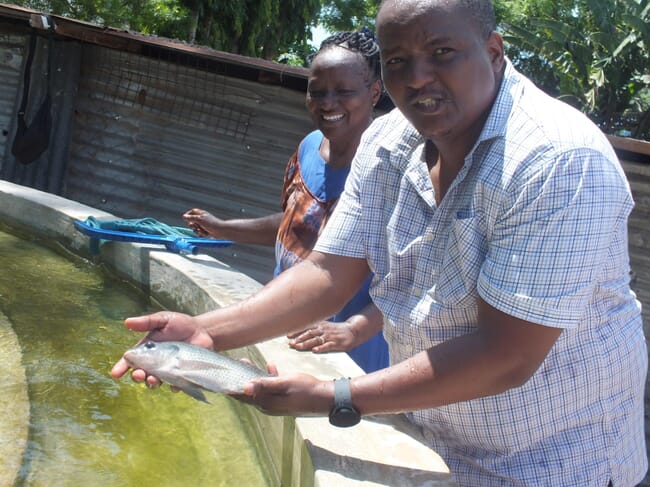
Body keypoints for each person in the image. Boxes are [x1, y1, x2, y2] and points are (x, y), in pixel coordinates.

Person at [112, 0, 648, 485]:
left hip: (554, 463)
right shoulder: (389, 140)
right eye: (397, 61)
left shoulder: (558, 161)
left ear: (492, 51)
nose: (418, 79)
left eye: (442, 52)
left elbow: (507, 354)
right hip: (426, 437)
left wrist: (334, 397)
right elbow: (327, 273)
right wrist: (204, 333)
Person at [182, 29, 389, 373]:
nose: (327, 102)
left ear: (375, 92)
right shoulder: (308, 147)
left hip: (349, 356)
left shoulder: (390, 170)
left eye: (343, 91)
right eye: (317, 91)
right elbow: (296, 225)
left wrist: (354, 329)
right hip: (285, 335)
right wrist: (223, 228)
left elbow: (411, 279)